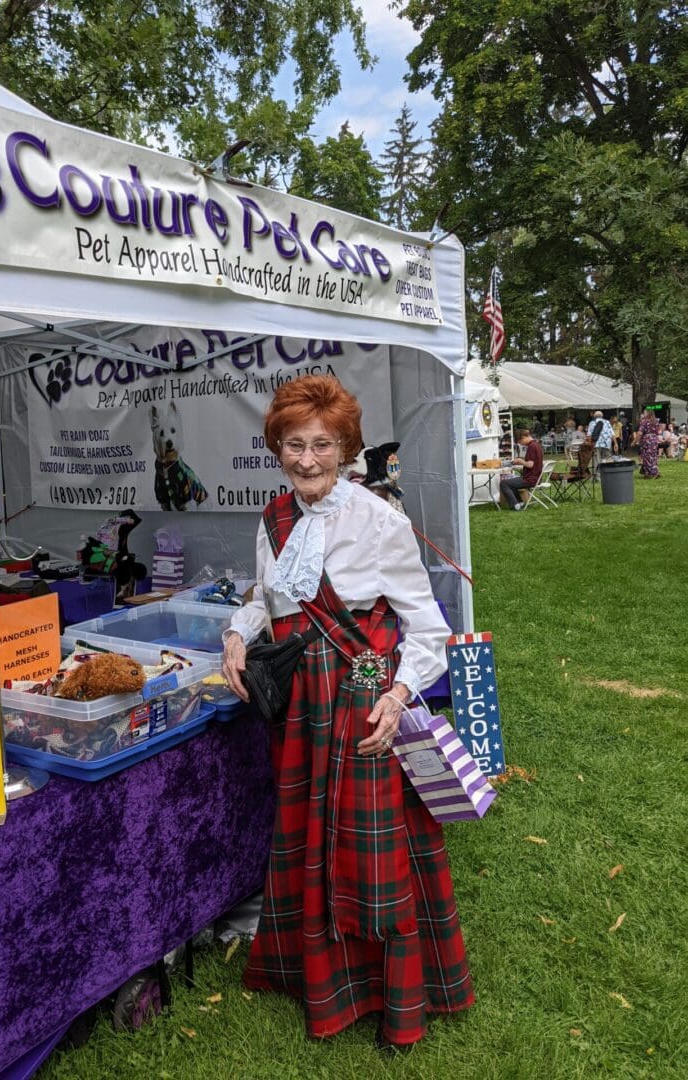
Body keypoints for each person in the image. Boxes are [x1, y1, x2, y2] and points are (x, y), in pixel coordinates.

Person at [221, 375, 473, 1049]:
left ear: (347, 449)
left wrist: (394, 695)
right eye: (293, 445)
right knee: (310, 830)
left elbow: (428, 628)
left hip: (363, 679)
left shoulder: (380, 521)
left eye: (322, 445)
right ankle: (319, 976)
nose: (307, 460)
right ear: (277, 447)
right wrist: (239, 631)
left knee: (371, 846)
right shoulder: (272, 520)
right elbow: (264, 596)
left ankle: (394, 996)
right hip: (303, 691)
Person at [499, 428, 543, 510]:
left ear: (523, 437)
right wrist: (522, 461)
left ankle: (515, 505)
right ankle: (520, 502)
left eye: (520, 442)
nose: (521, 444)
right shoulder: (537, 445)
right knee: (511, 482)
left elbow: (530, 465)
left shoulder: (531, 446)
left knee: (504, 483)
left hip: (531, 479)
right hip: (536, 477)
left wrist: (520, 461)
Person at [632, 409, 661, 478]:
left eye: (644, 412)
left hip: (647, 440)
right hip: (654, 439)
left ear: (648, 413)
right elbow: (658, 431)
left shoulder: (644, 422)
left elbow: (639, 433)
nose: (643, 414)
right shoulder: (656, 422)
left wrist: (634, 441)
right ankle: (647, 473)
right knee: (653, 456)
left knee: (647, 457)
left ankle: (654, 472)